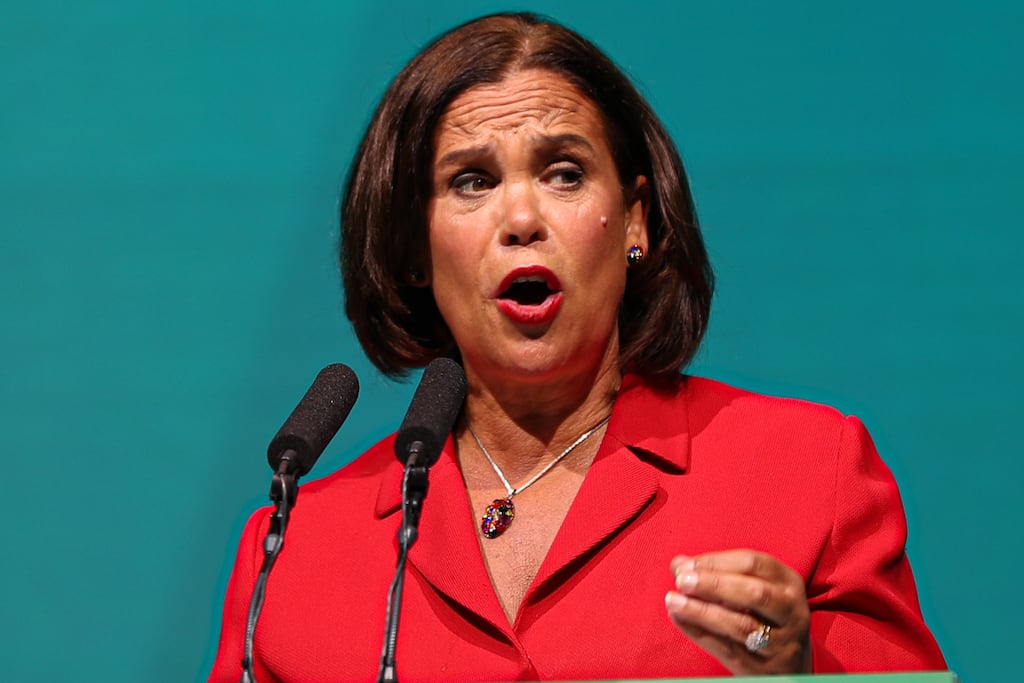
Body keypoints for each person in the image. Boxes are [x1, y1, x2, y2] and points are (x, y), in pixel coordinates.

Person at [210, 12, 946, 682]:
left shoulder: (808, 471)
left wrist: (801, 676)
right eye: (472, 181)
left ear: (635, 221)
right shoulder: (292, 548)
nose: (522, 217)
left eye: (564, 172)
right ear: (413, 249)